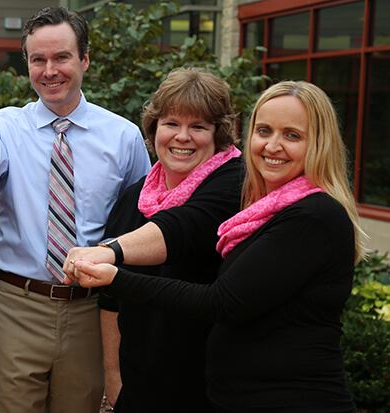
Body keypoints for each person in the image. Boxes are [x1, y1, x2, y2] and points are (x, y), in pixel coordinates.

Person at [69, 80, 364, 412]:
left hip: (282, 399)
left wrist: (113, 267)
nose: (273, 145)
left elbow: (218, 295)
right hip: (187, 390)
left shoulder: (307, 214)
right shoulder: (259, 210)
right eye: (264, 131)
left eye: (292, 135)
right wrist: (115, 376)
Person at [0, 7, 151, 412]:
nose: (49, 70)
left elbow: (143, 217)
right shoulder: (4, 127)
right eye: (37, 59)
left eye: (61, 57)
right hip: (16, 309)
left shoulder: (124, 138)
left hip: (90, 311)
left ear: (84, 60)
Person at [64, 67, 244, 412]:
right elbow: (111, 301)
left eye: (199, 127)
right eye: (172, 124)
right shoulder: (136, 196)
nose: (182, 137)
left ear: (218, 134)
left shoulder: (234, 184)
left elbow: (180, 228)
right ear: (154, 127)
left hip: (210, 385)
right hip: (142, 382)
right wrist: (114, 375)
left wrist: (107, 252)